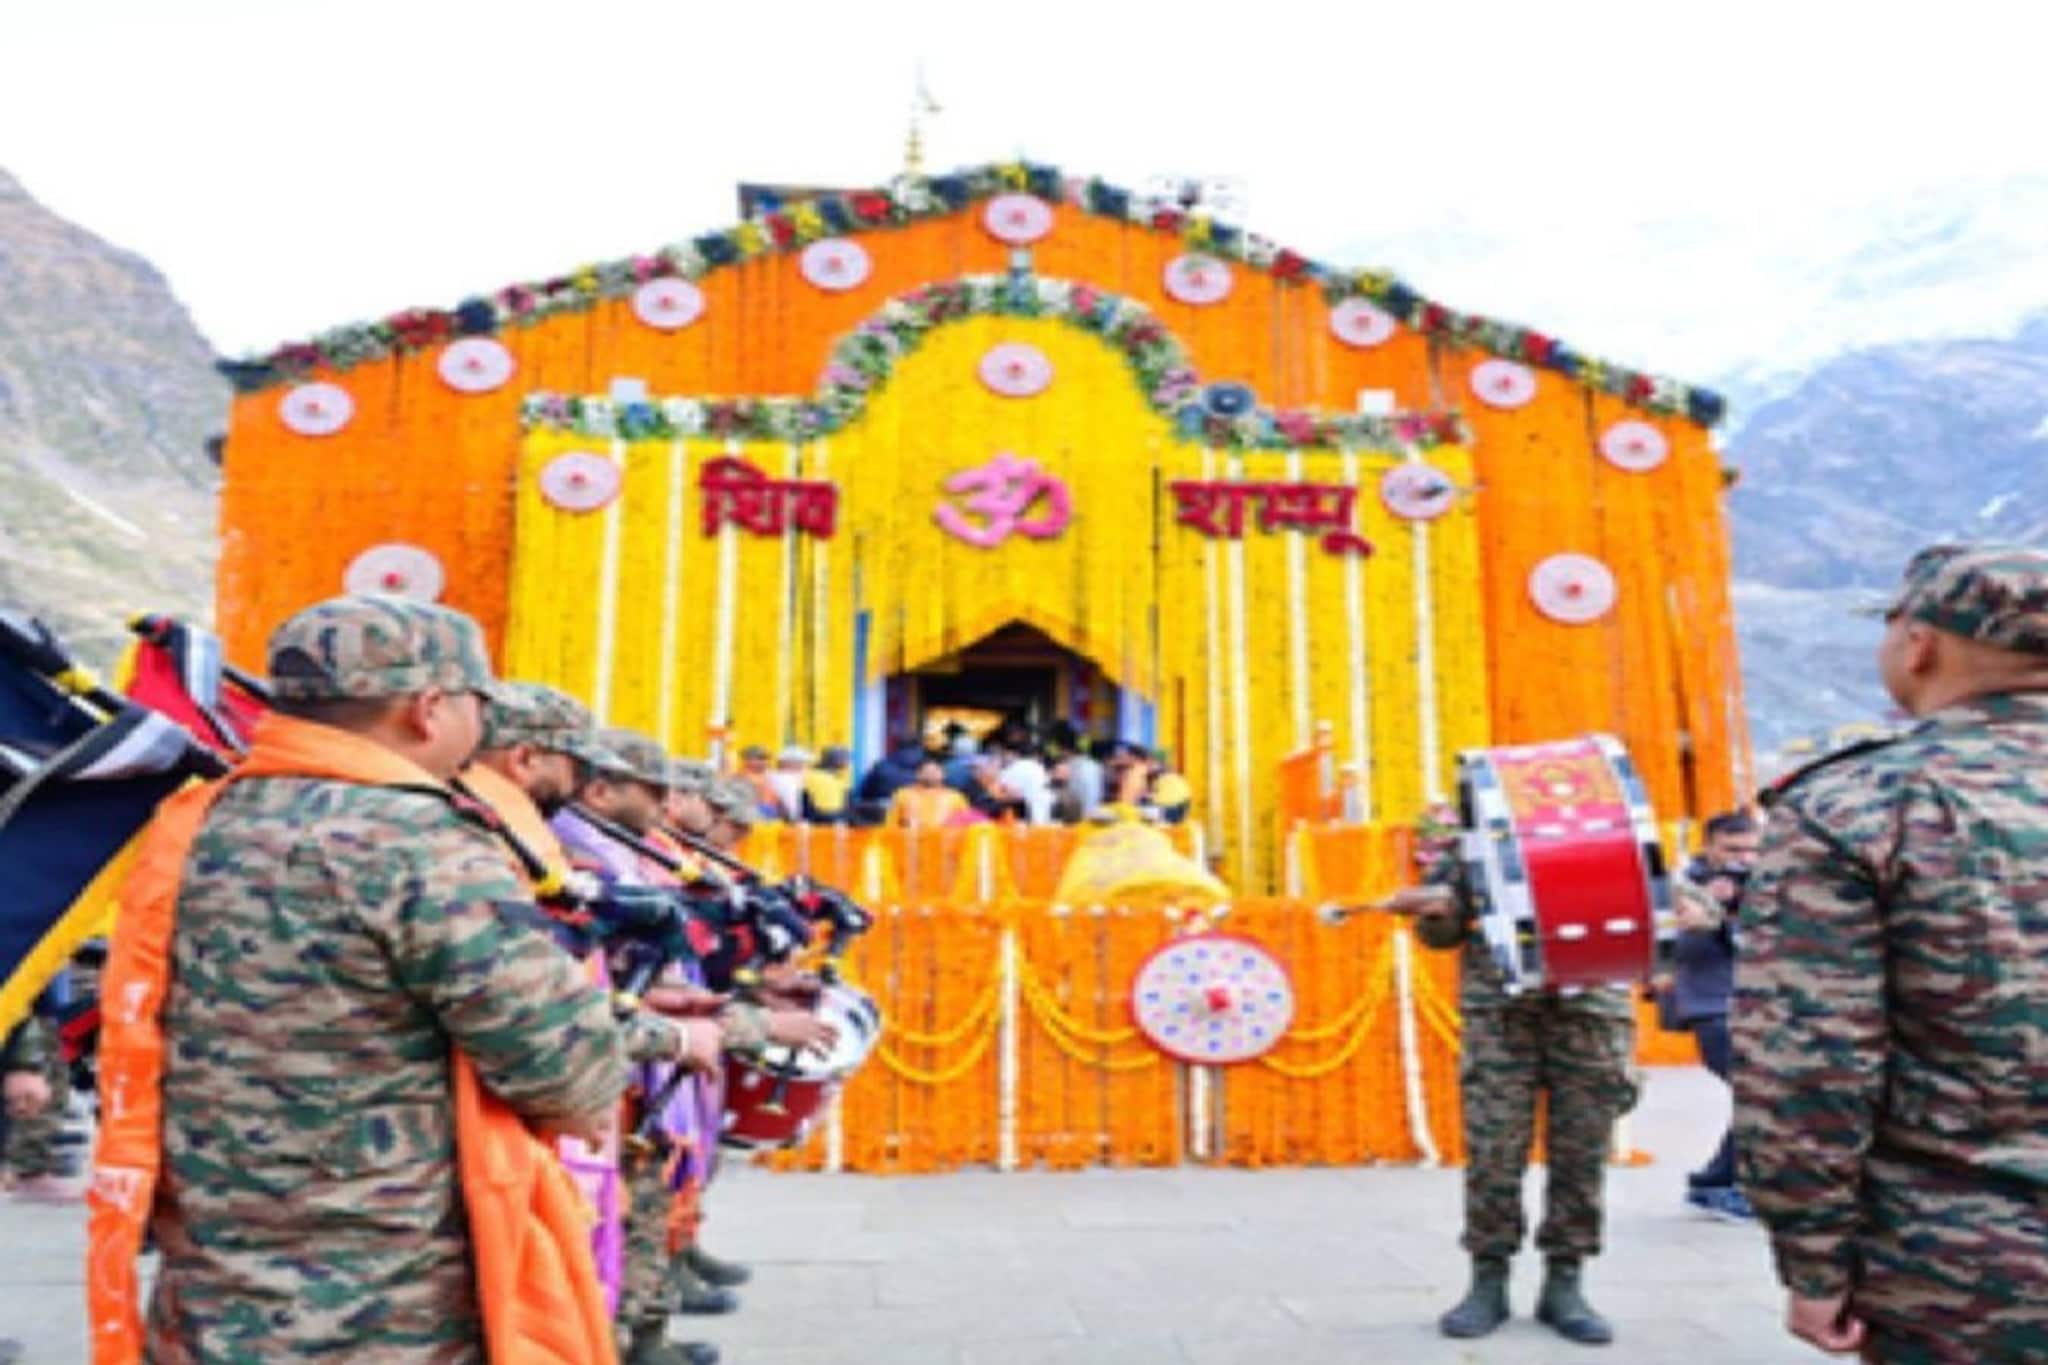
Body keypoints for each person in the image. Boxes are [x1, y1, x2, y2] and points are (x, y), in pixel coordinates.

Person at [89, 595, 625, 1363]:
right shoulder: (416, 839)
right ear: (428, 708)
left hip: (211, 1279)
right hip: (380, 1301)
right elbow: (561, 1059)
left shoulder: (204, 819)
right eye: (477, 704)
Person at [1734, 543, 2048, 1362]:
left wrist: (1812, 1259)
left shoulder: (1859, 805)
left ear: (1919, 644)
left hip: (1964, 1275)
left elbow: (1809, 1060)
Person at [1385, 803, 1636, 1347]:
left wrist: (1684, 911)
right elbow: (1441, 935)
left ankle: (1565, 1282)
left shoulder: (1609, 835)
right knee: (1494, 1153)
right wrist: (1437, 913)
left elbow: (1683, 900)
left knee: (1581, 1155)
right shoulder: (1475, 850)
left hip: (1591, 1011)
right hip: (1501, 1015)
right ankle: (1488, 1280)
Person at [1670, 810, 1758, 1221]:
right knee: (1762, 1093)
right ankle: (1719, 1183)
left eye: (1752, 849)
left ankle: (1716, 1181)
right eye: (1733, 849)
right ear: (1708, 847)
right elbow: (1677, 943)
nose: (1745, 858)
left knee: (1764, 1095)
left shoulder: (1763, 882)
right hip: (1713, 1006)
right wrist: (1712, 913)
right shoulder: (1685, 886)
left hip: (1758, 1005)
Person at [890, 757, 968, 827]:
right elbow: (892, 823)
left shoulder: (955, 796)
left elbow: (966, 823)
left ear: (943, 774)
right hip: (911, 836)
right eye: (927, 771)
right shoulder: (903, 794)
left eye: (935, 771)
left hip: (946, 837)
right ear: (918, 774)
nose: (931, 774)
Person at [802, 746, 852, 824]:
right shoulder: (839, 781)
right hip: (834, 820)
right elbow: (846, 806)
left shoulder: (808, 775)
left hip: (812, 820)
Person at [766, 746, 810, 823]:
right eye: (803, 763)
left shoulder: (771, 775)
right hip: (789, 821)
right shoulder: (787, 780)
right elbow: (792, 806)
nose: (805, 767)